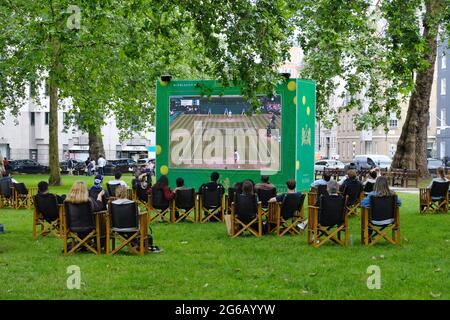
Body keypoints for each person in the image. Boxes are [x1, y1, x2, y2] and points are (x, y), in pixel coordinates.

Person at [112, 186, 162, 253]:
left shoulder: (111, 205)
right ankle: (142, 246)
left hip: (115, 228)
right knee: (142, 221)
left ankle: (135, 245)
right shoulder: (133, 204)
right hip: (132, 228)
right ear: (126, 193)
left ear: (116, 193)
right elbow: (138, 215)